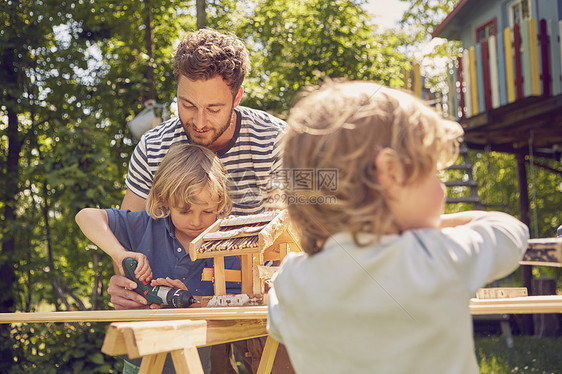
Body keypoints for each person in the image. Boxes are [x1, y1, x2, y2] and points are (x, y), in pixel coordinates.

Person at [267, 81, 530, 373]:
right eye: (435, 173)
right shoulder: (432, 256)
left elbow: (278, 324)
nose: (442, 191)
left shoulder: (291, 280)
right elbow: (508, 232)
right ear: (390, 173)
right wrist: (437, 226)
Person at [109, 28, 293, 373]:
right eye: (187, 104)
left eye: (213, 107)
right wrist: (125, 279)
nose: (199, 121)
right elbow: (128, 235)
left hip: (262, 304)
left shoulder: (276, 141)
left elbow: (298, 238)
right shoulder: (152, 148)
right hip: (183, 303)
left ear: (237, 97)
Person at [76, 144, 240, 373]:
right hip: (141, 361)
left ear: (220, 203)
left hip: (199, 361)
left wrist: (191, 301)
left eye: (207, 211)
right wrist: (120, 254)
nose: (196, 221)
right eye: (184, 211)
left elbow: (238, 307)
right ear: (165, 201)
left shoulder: (228, 244)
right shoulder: (145, 225)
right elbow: (86, 216)